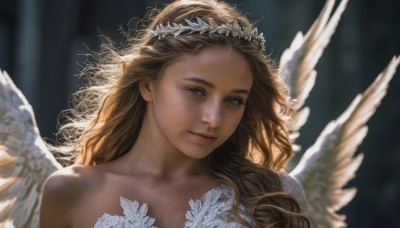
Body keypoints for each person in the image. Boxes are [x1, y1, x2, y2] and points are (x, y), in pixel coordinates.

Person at [40, 0, 312, 227]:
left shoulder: (273, 196)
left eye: (234, 100)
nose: (214, 118)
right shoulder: (70, 192)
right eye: (197, 91)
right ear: (147, 85)